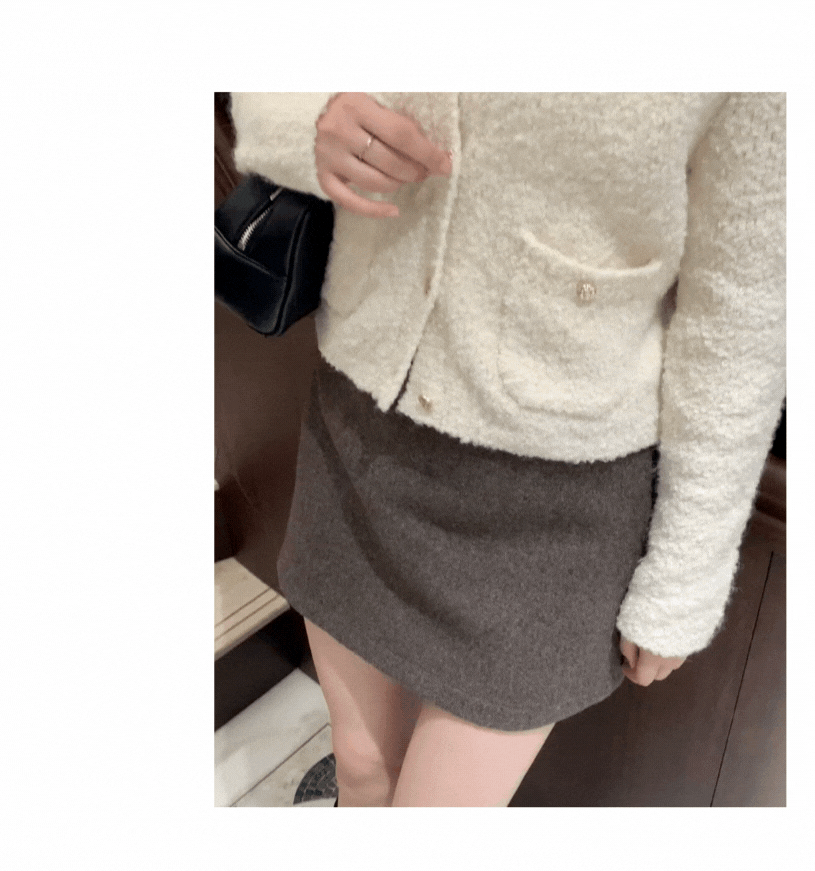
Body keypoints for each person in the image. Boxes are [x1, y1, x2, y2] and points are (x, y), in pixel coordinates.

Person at [228, 92, 786, 807]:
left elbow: (741, 312)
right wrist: (303, 121)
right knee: (361, 766)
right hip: (362, 429)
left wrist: (688, 574)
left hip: (554, 500)